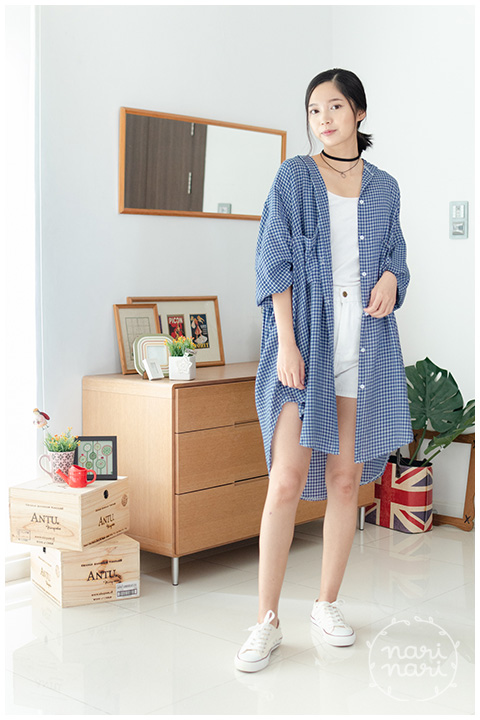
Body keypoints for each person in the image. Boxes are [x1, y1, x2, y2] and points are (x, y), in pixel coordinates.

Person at [234, 68, 413, 673]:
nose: (324, 119)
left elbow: (396, 257)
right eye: (314, 110)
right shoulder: (293, 177)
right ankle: (266, 621)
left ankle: (326, 604)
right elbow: (274, 260)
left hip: (364, 350)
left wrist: (391, 278)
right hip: (304, 345)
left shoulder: (385, 188)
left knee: (344, 482)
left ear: (359, 112)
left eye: (334, 107)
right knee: (285, 480)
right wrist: (285, 344)